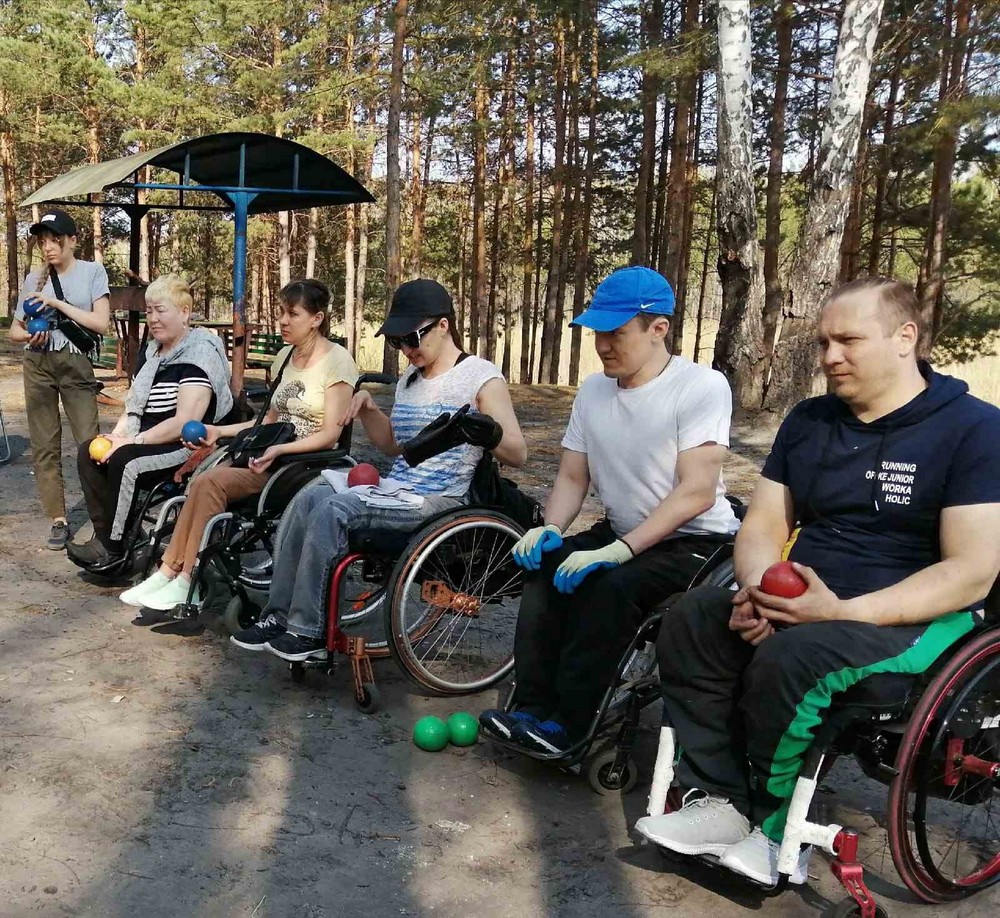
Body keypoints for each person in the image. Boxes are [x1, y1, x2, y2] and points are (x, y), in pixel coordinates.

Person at [635, 277, 1000, 887]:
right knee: (694, 617)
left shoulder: (974, 429)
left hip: (914, 618)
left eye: (849, 341)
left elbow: (971, 571)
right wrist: (758, 591)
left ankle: (775, 828)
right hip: (805, 604)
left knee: (796, 656)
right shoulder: (809, 420)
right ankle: (720, 801)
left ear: (905, 337)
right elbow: (763, 524)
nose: (830, 356)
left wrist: (841, 612)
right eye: (824, 342)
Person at [479, 266, 740, 754]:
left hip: (694, 541)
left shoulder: (701, 387)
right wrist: (549, 528)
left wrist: (619, 552)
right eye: (597, 333)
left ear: (658, 328)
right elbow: (572, 477)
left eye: (616, 333)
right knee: (546, 569)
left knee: (610, 588)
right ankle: (530, 709)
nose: (602, 345)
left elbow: (697, 492)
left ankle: (571, 726)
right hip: (622, 529)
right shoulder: (594, 391)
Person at [230, 278, 528, 661]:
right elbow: (394, 445)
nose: (405, 349)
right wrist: (370, 409)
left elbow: (518, 454)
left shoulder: (480, 376)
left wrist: (488, 433)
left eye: (411, 338)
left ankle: (308, 631)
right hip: (398, 490)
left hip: (441, 501)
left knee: (334, 510)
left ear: (443, 325)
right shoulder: (410, 380)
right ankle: (278, 616)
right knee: (310, 496)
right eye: (396, 342)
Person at [118, 279, 359, 612]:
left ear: (317, 319)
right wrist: (217, 431)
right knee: (201, 478)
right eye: (281, 313)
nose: (283, 321)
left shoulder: (337, 361)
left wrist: (280, 450)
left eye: (293, 314)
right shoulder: (285, 357)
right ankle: (168, 572)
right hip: (270, 454)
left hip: (304, 464)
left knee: (212, 482)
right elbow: (266, 421)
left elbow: (331, 435)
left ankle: (186, 579)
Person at [66, 274, 235, 571]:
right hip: (145, 439)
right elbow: (135, 408)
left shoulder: (199, 353)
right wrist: (116, 436)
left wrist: (129, 443)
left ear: (184, 312)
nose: (153, 319)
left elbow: (184, 421)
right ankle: (110, 534)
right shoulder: (153, 352)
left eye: (161, 310)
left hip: (183, 447)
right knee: (88, 451)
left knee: (126, 461)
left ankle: (113, 549)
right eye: (149, 311)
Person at [8, 208, 110, 550]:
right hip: (38, 362)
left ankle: (102, 518)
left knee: (90, 443)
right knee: (44, 445)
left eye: (56, 240)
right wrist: (29, 336)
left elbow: (101, 324)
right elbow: (14, 331)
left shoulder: (92, 272)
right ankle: (58, 519)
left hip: (75, 363)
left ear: (73, 241)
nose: (49, 247)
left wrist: (57, 304)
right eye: (43, 241)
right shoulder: (33, 278)